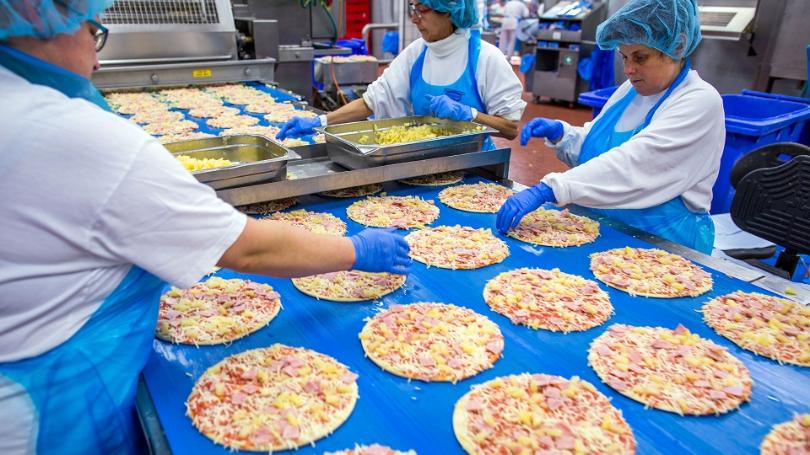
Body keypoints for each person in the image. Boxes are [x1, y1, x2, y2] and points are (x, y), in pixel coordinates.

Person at [0, 1, 411, 453]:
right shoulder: (78, 134)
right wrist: (356, 250)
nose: (98, 59)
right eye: (93, 33)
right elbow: (249, 249)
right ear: (44, 26)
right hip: (52, 403)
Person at [497, 0, 724, 254]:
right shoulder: (632, 90)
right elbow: (601, 147)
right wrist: (565, 135)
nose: (628, 69)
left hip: (664, 245)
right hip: (606, 231)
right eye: (624, 56)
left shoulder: (700, 101)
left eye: (640, 57)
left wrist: (552, 187)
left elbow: (635, 165)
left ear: (677, 48)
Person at [276, 0, 526, 150]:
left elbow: (510, 128)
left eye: (422, 10)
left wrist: (471, 115)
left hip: (473, 169)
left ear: (449, 10)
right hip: (422, 162)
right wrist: (320, 122)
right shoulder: (417, 53)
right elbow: (372, 101)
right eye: (412, 8)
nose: (415, 19)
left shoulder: (485, 58)